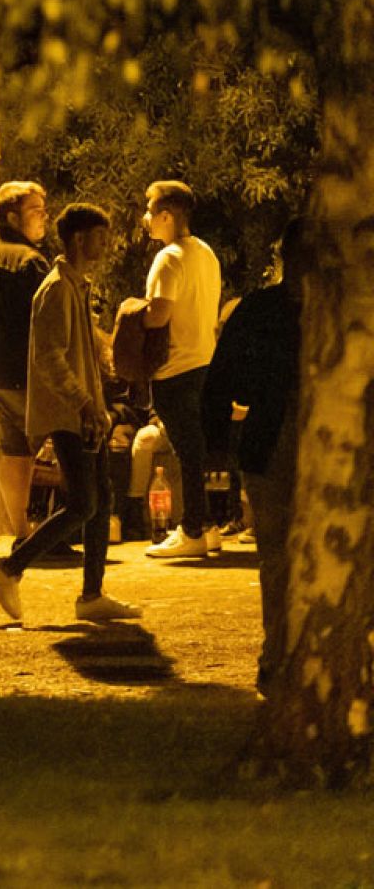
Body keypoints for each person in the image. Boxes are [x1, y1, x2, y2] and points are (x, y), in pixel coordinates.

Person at [0, 204, 141, 623]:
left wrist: (98, 405)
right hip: (69, 414)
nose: (106, 246)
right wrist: (85, 403)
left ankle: (91, 596)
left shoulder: (74, 286)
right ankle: (10, 567)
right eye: (99, 237)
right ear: (77, 240)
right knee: (84, 504)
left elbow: (77, 357)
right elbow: (51, 358)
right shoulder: (55, 289)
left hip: (84, 414)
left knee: (100, 499)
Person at [203, 218, 305, 695]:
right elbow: (222, 382)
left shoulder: (259, 310)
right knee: (287, 555)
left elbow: (223, 381)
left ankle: (280, 658)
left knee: (278, 557)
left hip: (271, 435)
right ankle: (287, 657)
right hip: (284, 437)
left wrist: (218, 445)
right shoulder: (346, 312)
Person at [140, 180, 223, 558]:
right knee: (197, 448)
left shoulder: (168, 257)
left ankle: (191, 531)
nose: (145, 218)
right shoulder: (205, 253)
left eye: (150, 210)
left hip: (174, 367)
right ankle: (206, 526)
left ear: (167, 216)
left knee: (187, 451)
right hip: (204, 363)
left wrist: (130, 317)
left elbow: (158, 316)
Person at [0, 182, 50, 539]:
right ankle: (57, 531)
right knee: (67, 446)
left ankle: (21, 531)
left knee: (14, 453)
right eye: (36, 210)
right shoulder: (28, 261)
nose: (44, 217)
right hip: (27, 374)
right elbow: (48, 321)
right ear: (12, 217)